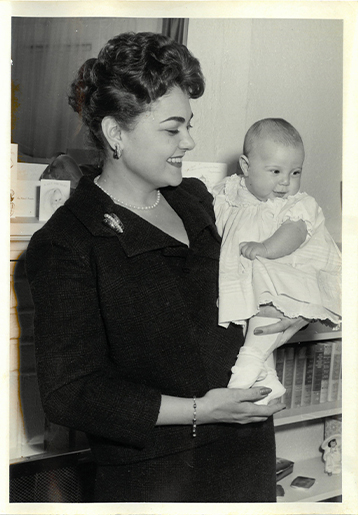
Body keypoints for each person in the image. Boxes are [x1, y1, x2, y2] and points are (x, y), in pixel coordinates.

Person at [25, 33, 307, 503]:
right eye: (172, 129)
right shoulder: (66, 242)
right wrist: (202, 410)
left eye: (188, 125)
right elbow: (70, 392)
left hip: (248, 449)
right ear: (116, 134)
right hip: (159, 476)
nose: (189, 141)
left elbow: (240, 294)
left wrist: (286, 316)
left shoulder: (196, 199)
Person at [213, 118, 342, 405]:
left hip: (284, 272)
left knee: (267, 312)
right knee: (249, 320)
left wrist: (265, 247)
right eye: (275, 171)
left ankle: (247, 365)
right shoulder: (229, 192)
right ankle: (267, 378)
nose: (286, 181)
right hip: (244, 277)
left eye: (295, 172)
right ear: (246, 167)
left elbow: (293, 233)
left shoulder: (295, 204)